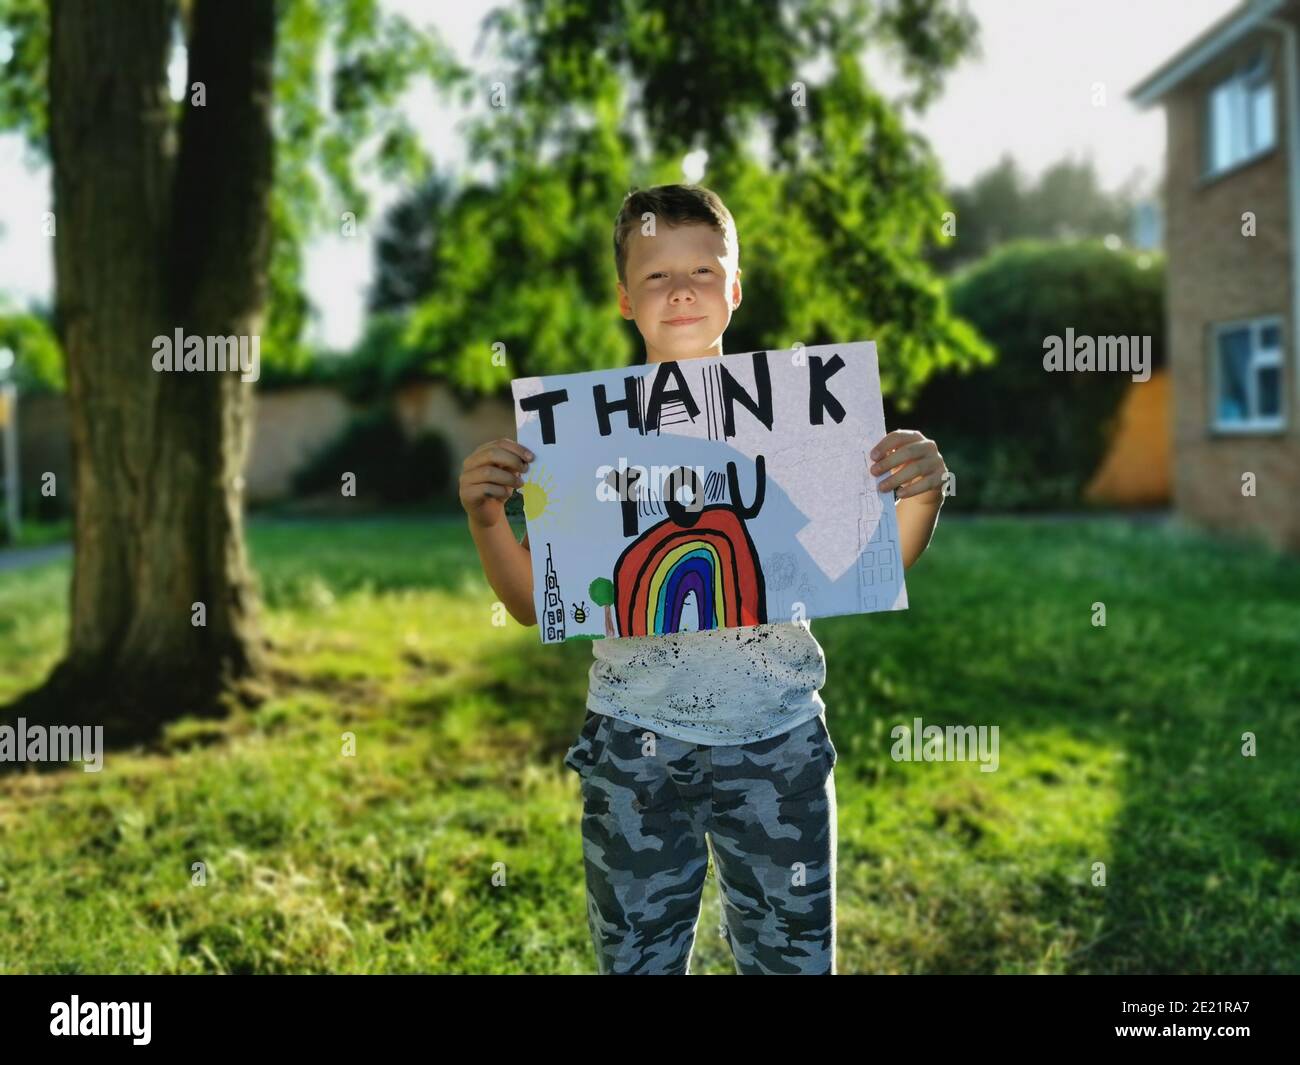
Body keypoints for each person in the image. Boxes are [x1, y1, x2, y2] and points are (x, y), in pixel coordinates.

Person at [460, 183, 948, 974]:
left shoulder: (798, 420)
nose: (680, 289)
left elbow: (861, 563)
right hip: (632, 749)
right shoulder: (584, 435)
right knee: (637, 961)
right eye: (656, 275)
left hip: (777, 739)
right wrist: (487, 519)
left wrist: (920, 496)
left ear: (736, 289)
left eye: (703, 270)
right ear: (625, 297)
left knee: (791, 961)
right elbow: (529, 602)